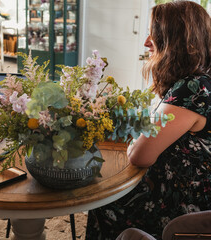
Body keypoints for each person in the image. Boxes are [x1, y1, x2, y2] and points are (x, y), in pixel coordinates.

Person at [88, 1, 211, 239]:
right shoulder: (201, 79)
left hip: (185, 204)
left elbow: (140, 155)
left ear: (175, 42)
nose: (146, 42)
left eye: (153, 36)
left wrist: (136, 138)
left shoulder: (192, 88)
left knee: (102, 197)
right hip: (195, 193)